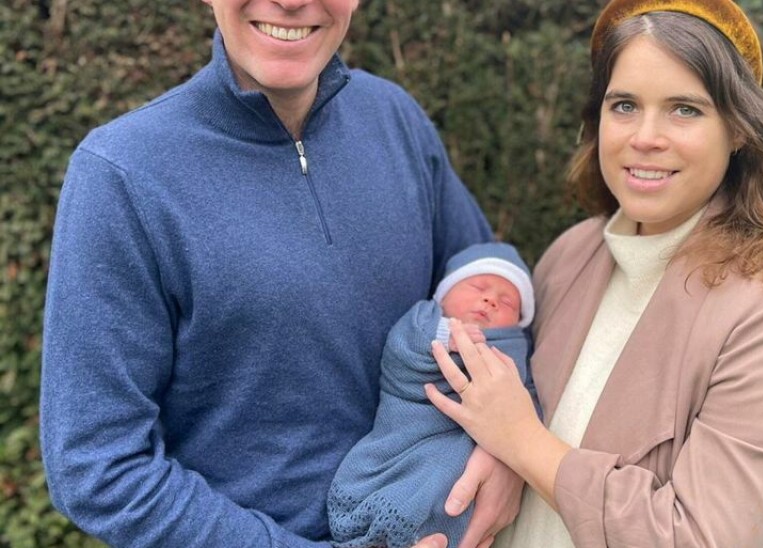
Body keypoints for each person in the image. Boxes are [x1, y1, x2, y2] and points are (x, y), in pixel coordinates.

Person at [39, 1, 523, 547]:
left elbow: (498, 300)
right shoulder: (123, 174)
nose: (291, 2)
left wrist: (511, 450)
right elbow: (99, 469)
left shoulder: (395, 119)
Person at [425, 0, 763, 546]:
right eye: (624, 105)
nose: (645, 136)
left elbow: (697, 537)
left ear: (740, 129)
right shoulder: (570, 256)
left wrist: (523, 441)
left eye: (685, 109)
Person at [329, 242, 536, 548]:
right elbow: (400, 355)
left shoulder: (514, 348)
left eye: (507, 302)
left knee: (452, 492)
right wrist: (443, 337)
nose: (491, 299)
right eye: (478, 286)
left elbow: (528, 401)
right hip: (409, 435)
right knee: (409, 485)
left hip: (465, 458)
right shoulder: (424, 319)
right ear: (444, 294)